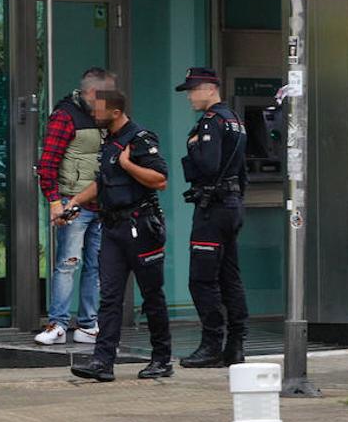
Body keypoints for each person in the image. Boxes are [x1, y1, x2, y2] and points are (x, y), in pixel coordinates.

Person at [68, 89, 173, 382]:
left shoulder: (139, 139)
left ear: (115, 113)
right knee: (110, 297)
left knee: (152, 295)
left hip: (141, 226)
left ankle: (162, 359)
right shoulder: (109, 142)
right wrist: (75, 201)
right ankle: (103, 363)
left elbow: (160, 179)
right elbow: (103, 183)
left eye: (98, 111)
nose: (93, 115)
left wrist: (128, 165)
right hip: (112, 228)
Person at [35, 67, 116, 346]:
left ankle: (88, 325)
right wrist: (55, 202)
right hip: (74, 204)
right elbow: (47, 163)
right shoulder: (65, 116)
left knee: (96, 266)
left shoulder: (105, 116)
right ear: (93, 92)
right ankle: (58, 323)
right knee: (67, 265)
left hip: (101, 204)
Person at [175, 67, 249, 368]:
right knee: (230, 277)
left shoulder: (211, 122)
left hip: (214, 207)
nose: (190, 96)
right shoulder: (235, 121)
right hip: (231, 205)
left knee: (202, 280)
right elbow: (241, 172)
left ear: (209, 89)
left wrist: (193, 148)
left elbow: (208, 165)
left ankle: (211, 346)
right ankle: (236, 346)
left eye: (193, 90)